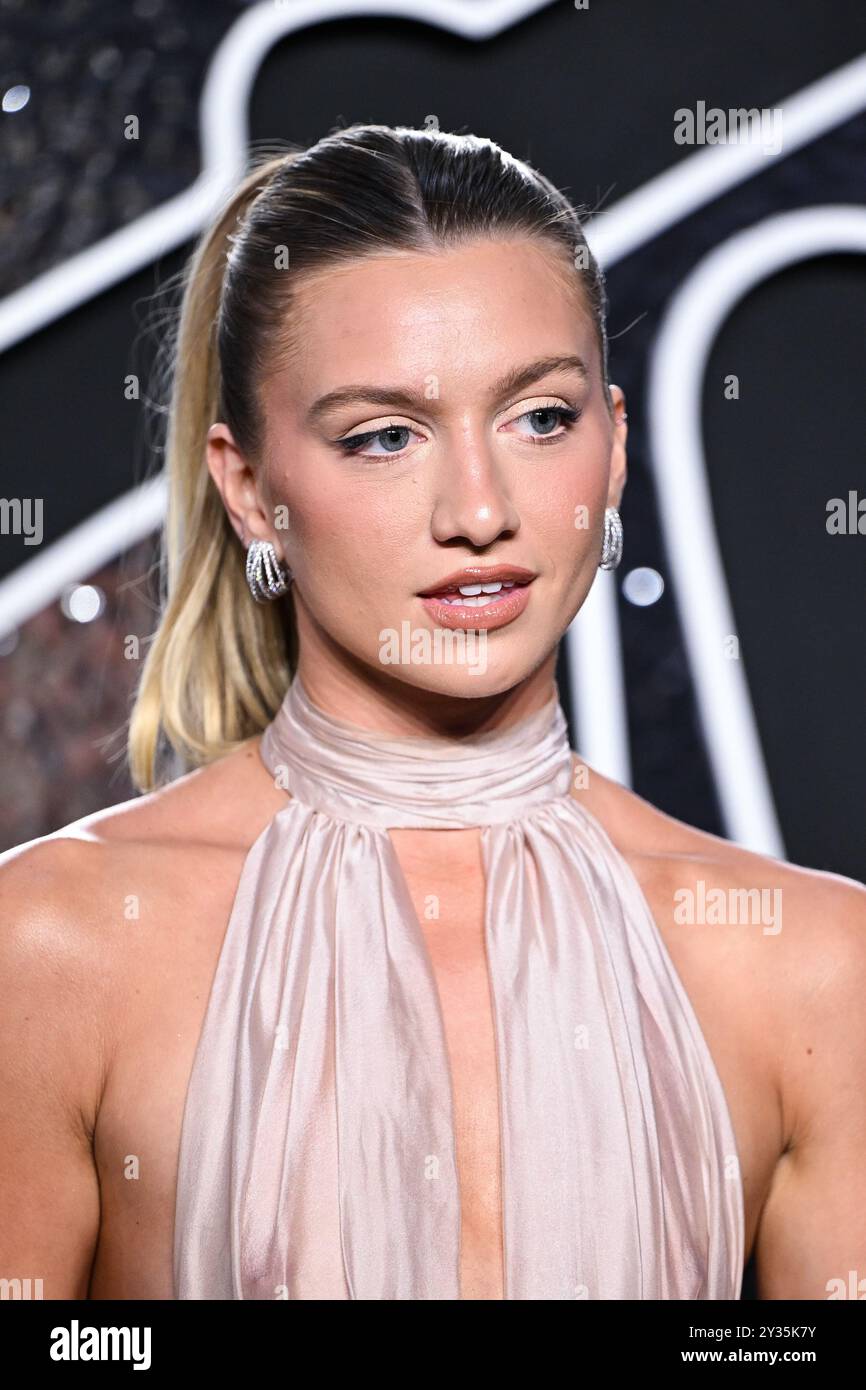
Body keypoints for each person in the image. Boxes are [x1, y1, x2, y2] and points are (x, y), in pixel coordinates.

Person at [1, 124, 864, 1302]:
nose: (477, 508)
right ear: (250, 490)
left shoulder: (815, 966)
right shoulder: (48, 946)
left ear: (610, 450)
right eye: (385, 436)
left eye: (539, 417)